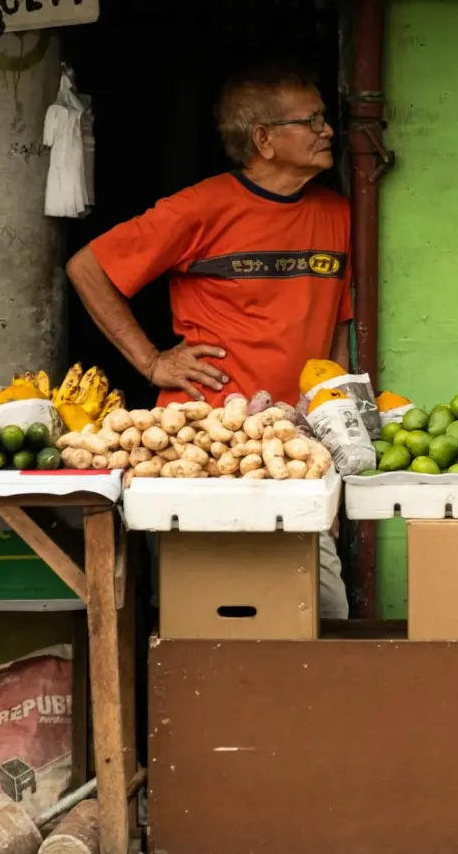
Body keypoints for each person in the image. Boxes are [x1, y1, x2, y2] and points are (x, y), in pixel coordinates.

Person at [66, 64, 350, 619]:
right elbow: (87, 268)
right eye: (311, 119)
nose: (328, 130)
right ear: (263, 139)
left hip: (292, 453)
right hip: (201, 443)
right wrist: (151, 362)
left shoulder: (338, 214)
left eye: (324, 117)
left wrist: (330, 423)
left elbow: (339, 324)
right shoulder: (200, 208)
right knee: (202, 618)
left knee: (321, 614)